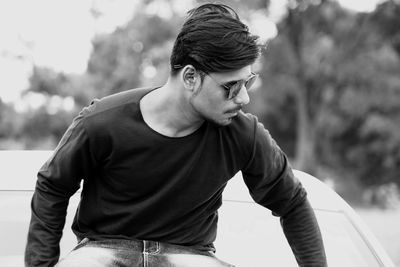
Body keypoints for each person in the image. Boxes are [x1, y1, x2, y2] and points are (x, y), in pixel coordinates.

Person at [25, 3, 327, 267]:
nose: (244, 98)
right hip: (102, 252)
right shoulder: (101, 122)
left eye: (247, 82)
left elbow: (293, 202)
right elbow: (52, 184)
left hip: (191, 257)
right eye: (231, 86)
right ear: (191, 77)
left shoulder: (242, 135)